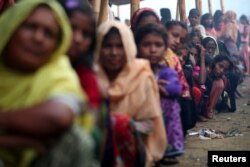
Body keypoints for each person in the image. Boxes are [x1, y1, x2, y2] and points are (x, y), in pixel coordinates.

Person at [0, 0, 94, 166]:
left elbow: (59, 116)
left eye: (49, 33)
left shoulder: (58, 72)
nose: (38, 38)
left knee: (74, 138)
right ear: (10, 26)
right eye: (30, 26)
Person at [94, 20, 167, 167]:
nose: (114, 52)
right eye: (108, 46)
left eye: (120, 46)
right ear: (99, 47)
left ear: (128, 47)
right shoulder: (91, 75)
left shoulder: (142, 76)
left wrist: (119, 125)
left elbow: (149, 125)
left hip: (133, 148)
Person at [135, 23, 183, 165]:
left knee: (169, 103)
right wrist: (150, 87)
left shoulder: (166, 72)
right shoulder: (133, 70)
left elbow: (176, 89)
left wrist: (160, 90)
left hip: (160, 119)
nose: (152, 50)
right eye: (146, 44)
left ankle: (166, 147)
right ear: (137, 47)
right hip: (139, 115)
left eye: (158, 45)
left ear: (165, 49)